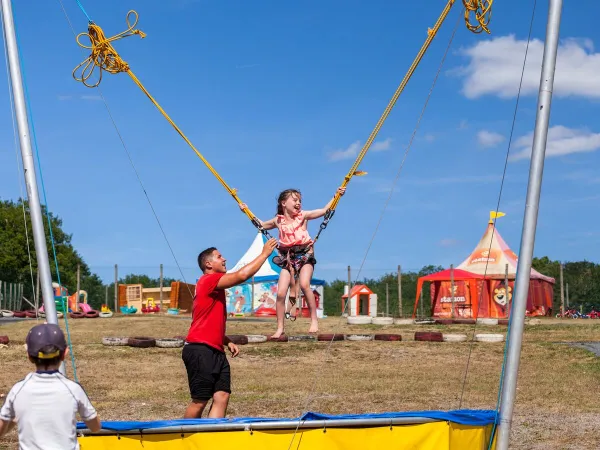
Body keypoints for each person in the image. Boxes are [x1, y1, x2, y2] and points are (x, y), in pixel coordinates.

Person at [183, 237, 278, 419]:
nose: (224, 259)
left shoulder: (215, 286)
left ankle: (212, 439)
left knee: (222, 395)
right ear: (209, 264)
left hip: (215, 350)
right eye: (220, 256)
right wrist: (264, 253)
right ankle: (183, 439)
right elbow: (242, 276)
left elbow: (206, 320)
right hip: (200, 350)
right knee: (200, 399)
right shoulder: (208, 280)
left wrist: (226, 340)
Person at [240, 187, 345, 338]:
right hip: (288, 259)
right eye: (295, 200)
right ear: (284, 203)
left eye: (300, 201)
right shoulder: (278, 220)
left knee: (304, 284)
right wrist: (247, 211)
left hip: (305, 256)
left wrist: (336, 196)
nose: (298, 203)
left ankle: (314, 320)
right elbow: (261, 224)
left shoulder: (303, 216)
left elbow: (324, 210)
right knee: (281, 293)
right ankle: (280, 328)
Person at [0, 323, 101, 449]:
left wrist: (12, 418)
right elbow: (95, 427)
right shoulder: (74, 389)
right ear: (64, 353)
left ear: (29, 356)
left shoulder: (18, 390)